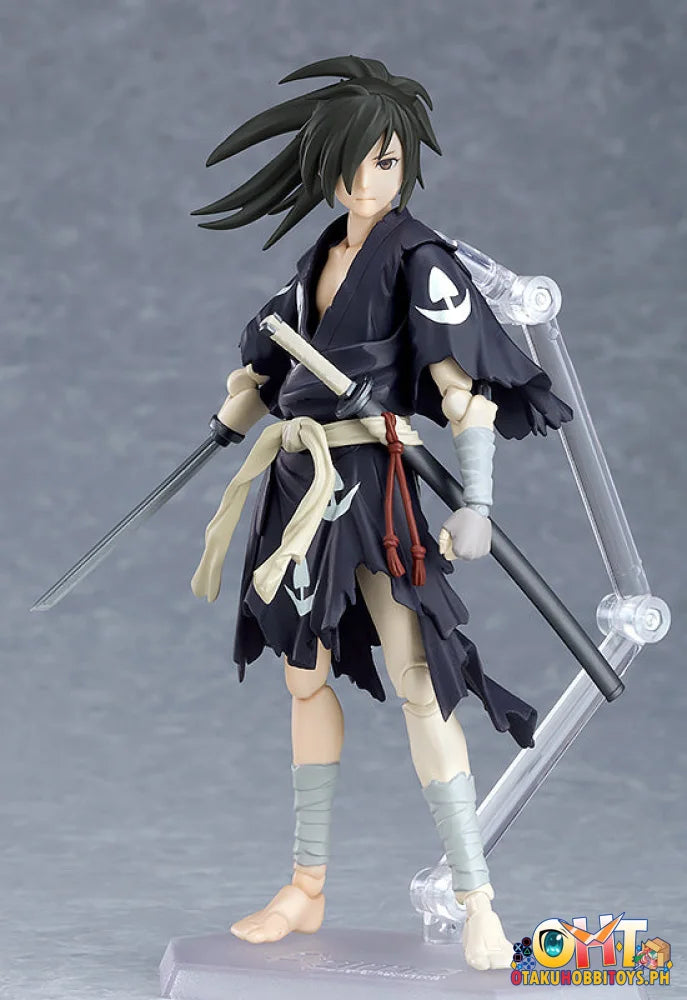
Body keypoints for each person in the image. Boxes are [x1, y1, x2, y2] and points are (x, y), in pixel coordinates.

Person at [191, 55, 572, 970]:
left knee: (419, 681)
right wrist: (237, 408)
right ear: (324, 168)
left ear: (405, 166)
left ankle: (477, 899)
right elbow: (270, 364)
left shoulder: (418, 259)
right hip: (299, 486)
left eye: (387, 160)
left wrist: (477, 501)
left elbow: (459, 393)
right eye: (353, 161)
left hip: (375, 486)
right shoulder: (317, 258)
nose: (369, 178)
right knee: (303, 678)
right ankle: (306, 887)